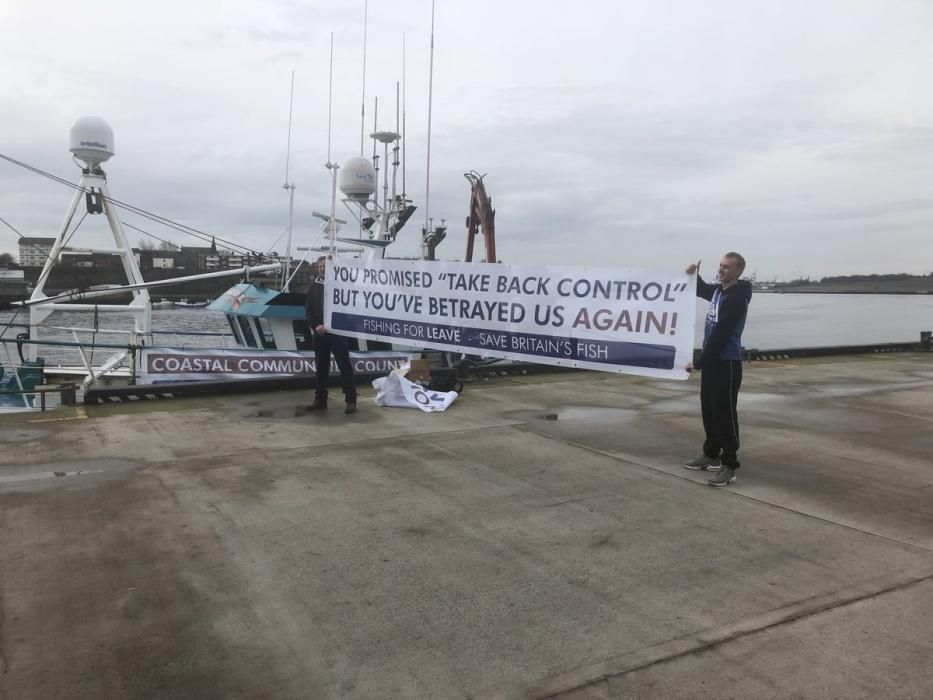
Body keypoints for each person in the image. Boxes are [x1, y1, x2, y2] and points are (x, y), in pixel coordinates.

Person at [683, 253, 752, 486]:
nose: (722, 269)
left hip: (727, 363)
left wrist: (699, 361)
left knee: (725, 415)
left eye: (727, 267)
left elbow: (720, 336)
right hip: (713, 363)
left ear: (738, 272)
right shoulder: (718, 291)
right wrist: (694, 275)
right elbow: (701, 289)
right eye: (721, 265)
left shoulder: (736, 299)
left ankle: (729, 465)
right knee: (709, 411)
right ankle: (710, 455)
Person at [305, 255, 357, 414]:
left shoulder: (341, 286)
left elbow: (348, 309)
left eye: (325, 265)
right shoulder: (313, 287)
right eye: (320, 266)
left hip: (338, 332)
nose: (322, 268)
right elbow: (309, 312)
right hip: (320, 333)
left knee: (344, 366)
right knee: (321, 367)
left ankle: (351, 401)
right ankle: (320, 400)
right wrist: (316, 326)